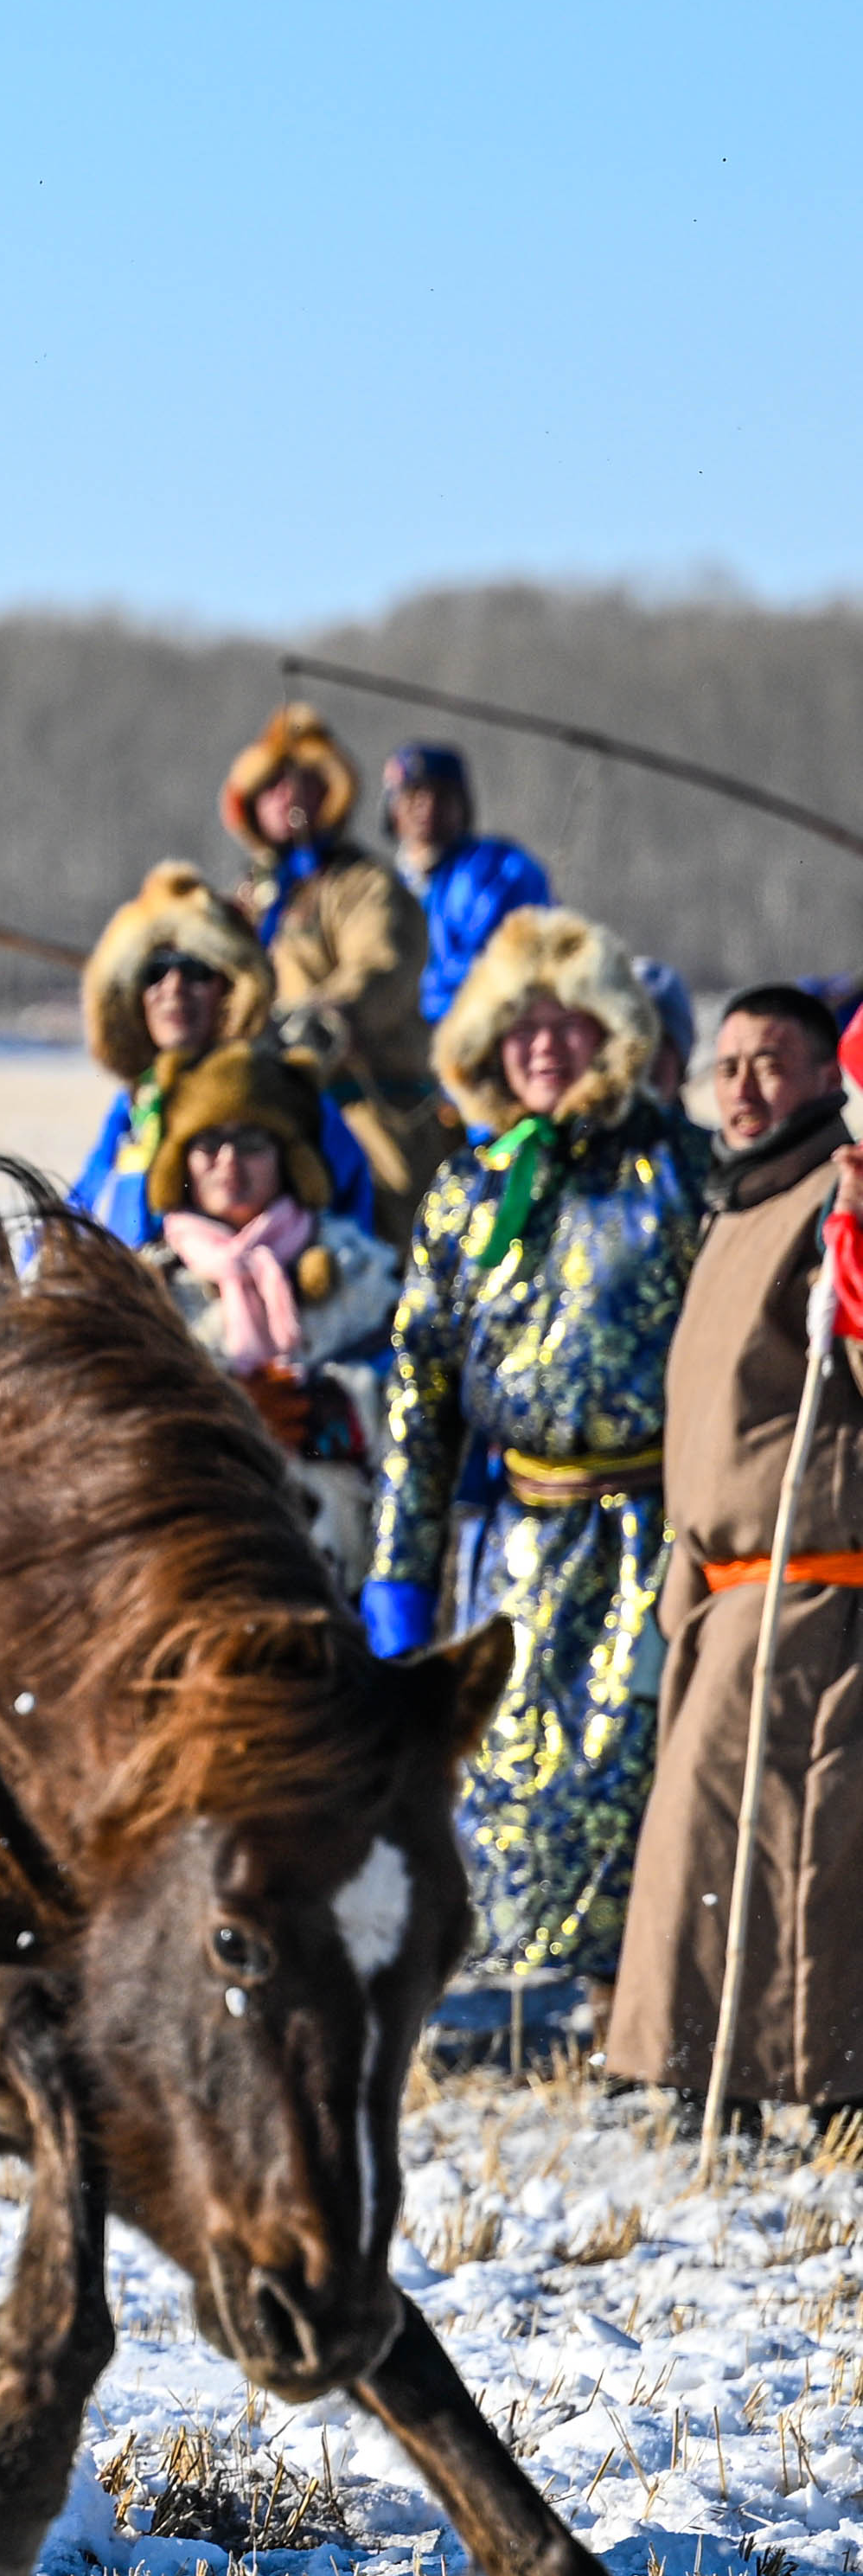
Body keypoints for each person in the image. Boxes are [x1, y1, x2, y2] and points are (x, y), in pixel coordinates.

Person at [366, 907, 718, 2052]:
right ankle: (501, 2006)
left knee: (632, 1766)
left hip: (649, 1530)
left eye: (568, 1027)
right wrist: (398, 1577)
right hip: (516, 1537)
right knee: (507, 1775)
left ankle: (633, 2001)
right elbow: (419, 1395)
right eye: (523, 1031)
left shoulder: (675, 1170)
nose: (546, 1049)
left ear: (613, 1035)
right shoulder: (472, 1194)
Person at [609, 987, 863, 2110]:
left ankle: (795, 2077)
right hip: (715, 1581)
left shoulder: (835, 1202)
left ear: (825, 1079)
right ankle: (697, 2069)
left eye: (774, 1063)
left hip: (809, 1576)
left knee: (783, 1851)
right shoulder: (737, 1206)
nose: (747, 1086)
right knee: (705, 1848)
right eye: (729, 1066)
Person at [139, 1039, 398, 1578]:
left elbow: (415, 1405)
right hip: (196, 1562)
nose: (229, 1162)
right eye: (209, 1143)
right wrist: (225, 1414)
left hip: (341, 1563)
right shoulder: (148, 1290)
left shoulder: (361, 1274)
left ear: (290, 1158)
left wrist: (326, 1411)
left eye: (252, 1141)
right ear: (180, 1161)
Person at [220, 702, 447, 1214]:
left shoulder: (364, 885)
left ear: (330, 794)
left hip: (364, 1096)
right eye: (272, 787)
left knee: (387, 1222)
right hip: (269, 1103)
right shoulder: (248, 897)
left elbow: (382, 966)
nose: (287, 797)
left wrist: (326, 1016)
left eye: (301, 783)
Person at [72, 862, 372, 1241]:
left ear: (232, 987)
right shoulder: (135, 1105)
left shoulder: (283, 1093)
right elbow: (76, 1218)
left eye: (196, 970)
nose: (174, 988)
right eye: (155, 972)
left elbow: (351, 1226)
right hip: (134, 1292)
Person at [387, 743, 553, 1033]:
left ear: (463, 807)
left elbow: (488, 966)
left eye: (442, 794)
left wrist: (403, 1007)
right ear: (391, 808)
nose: (427, 805)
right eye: (414, 794)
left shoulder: (497, 869)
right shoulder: (380, 885)